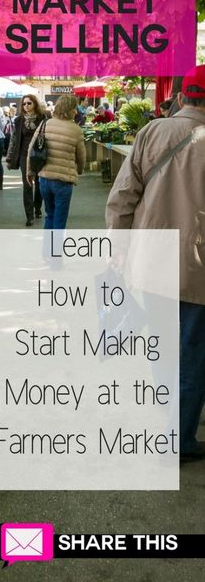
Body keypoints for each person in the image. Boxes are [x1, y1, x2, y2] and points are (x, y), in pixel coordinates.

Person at [106, 64, 205, 462]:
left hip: (151, 258)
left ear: (181, 97)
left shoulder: (151, 132)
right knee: (193, 350)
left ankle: (168, 420)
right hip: (199, 265)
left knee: (162, 346)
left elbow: (122, 198)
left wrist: (119, 249)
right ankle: (179, 438)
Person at [27, 94, 86, 230]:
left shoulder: (45, 124)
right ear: (70, 110)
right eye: (74, 108)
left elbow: (31, 148)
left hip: (44, 180)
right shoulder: (76, 130)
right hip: (63, 181)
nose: (76, 112)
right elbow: (81, 157)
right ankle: (56, 251)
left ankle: (48, 250)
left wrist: (30, 172)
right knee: (60, 220)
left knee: (50, 215)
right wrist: (79, 170)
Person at [6, 95, 45, 226]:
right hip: (23, 155)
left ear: (34, 104)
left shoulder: (43, 119)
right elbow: (14, 139)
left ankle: (37, 207)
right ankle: (29, 216)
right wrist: (9, 157)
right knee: (27, 184)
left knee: (39, 184)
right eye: (24, 104)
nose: (26, 106)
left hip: (39, 155)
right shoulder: (19, 120)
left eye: (29, 103)